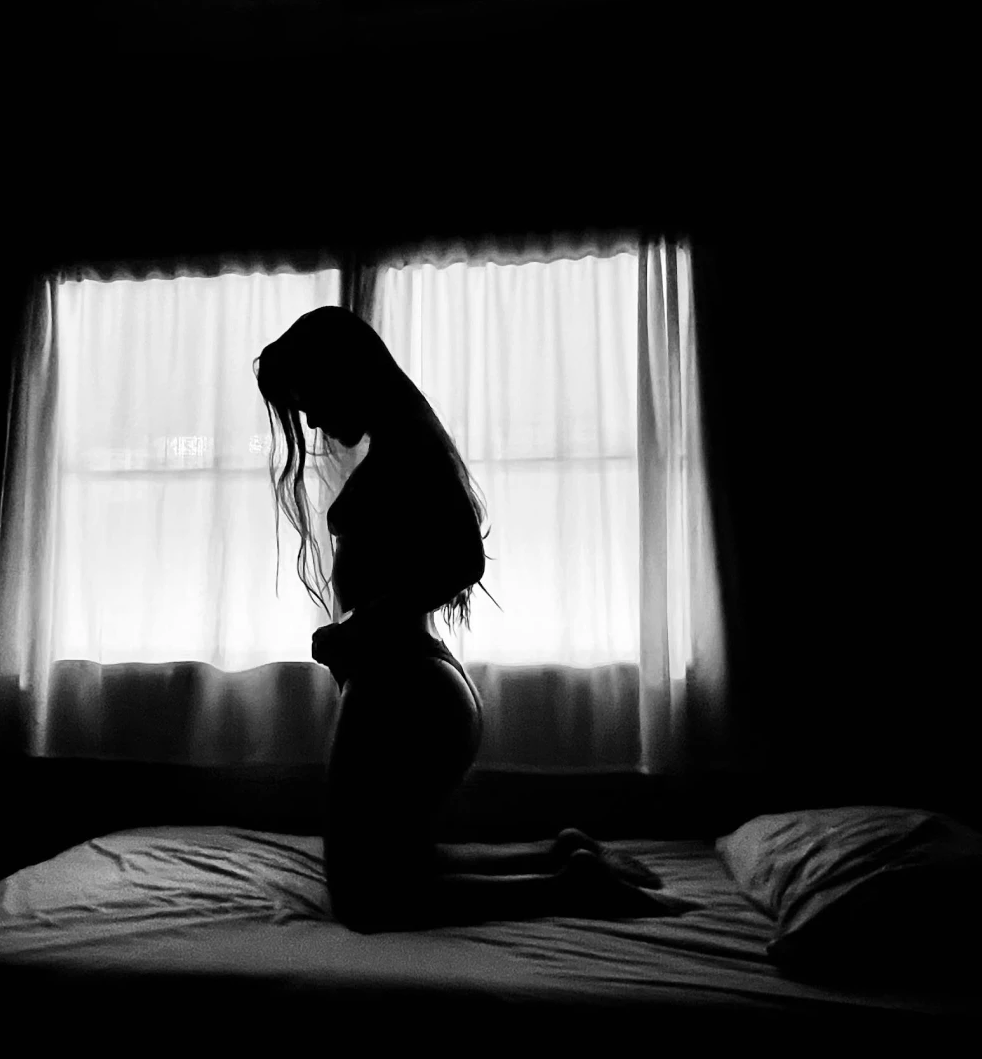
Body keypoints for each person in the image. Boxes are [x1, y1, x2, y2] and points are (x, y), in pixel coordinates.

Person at [254, 305, 674, 933]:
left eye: (310, 396)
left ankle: (568, 887)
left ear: (344, 374)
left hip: (405, 687)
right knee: (394, 863)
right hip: (413, 681)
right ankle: (561, 858)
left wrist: (363, 628)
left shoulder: (405, 450)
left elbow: (459, 560)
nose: (310, 417)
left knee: (365, 901)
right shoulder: (402, 444)